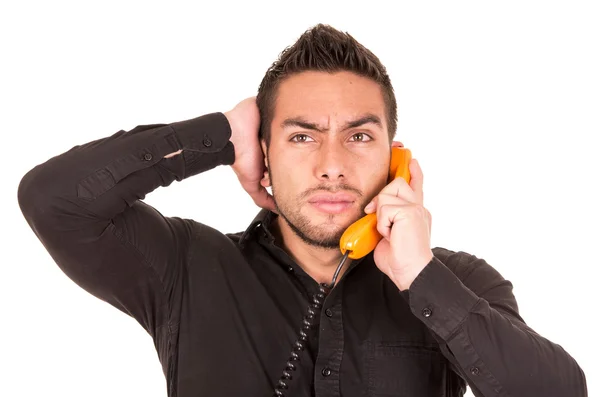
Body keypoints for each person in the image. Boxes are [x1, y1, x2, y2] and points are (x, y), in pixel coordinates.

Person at [17, 23, 586, 397]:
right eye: (302, 137)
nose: (332, 165)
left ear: (397, 156)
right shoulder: (186, 268)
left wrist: (420, 277)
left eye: (360, 137)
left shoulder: (456, 281)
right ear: (264, 150)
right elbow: (54, 199)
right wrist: (220, 135)